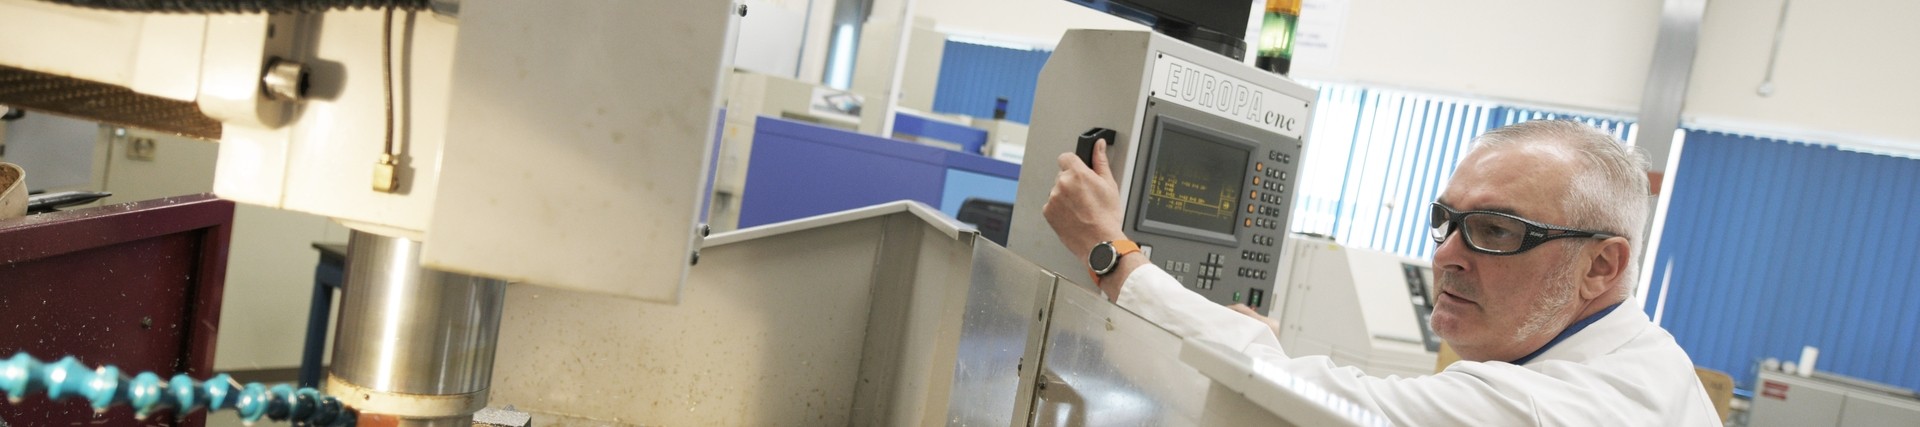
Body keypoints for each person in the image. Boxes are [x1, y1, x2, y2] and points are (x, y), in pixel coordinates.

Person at [1041, 120, 1719, 425]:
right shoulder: (1652, 360)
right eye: (1447, 219)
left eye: (1495, 230)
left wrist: (1111, 254)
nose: (1448, 253)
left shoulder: (1551, 409)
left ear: (1601, 265)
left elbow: (1324, 406)